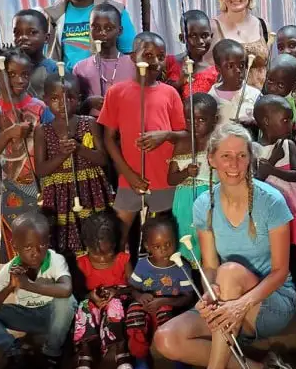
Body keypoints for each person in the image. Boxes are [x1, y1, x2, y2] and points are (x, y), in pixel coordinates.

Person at [154, 123, 296, 369]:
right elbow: (208, 267)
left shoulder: (271, 201)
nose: (234, 164)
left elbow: (280, 271)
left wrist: (238, 304)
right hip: (227, 297)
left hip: (270, 304)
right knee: (166, 339)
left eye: (241, 155)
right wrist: (207, 295)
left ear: (250, 158)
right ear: (211, 159)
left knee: (230, 271)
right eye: (226, 156)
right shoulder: (203, 205)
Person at [0, 213, 76, 369]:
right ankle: (17, 355)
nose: (36, 252)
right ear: (15, 246)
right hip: (27, 316)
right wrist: (10, 287)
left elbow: (66, 290)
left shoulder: (55, 260)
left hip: (54, 317)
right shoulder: (9, 269)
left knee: (66, 301)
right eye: (27, 247)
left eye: (41, 245)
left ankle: (50, 358)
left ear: (48, 242)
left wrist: (28, 285)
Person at [98, 32, 187, 250]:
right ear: (132, 56)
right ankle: (121, 278)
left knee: (163, 237)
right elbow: (109, 139)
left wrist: (165, 135)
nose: (155, 60)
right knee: (119, 236)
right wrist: (127, 174)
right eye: (147, 54)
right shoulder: (116, 92)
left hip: (163, 179)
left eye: (160, 55)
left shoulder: (170, 94)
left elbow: (184, 135)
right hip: (130, 179)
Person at [0, 45, 54, 264]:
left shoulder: (39, 108)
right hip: (12, 189)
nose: (20, 80)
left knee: (44, 235)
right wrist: (8, 134)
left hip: (42, 185)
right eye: (12, 74)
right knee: (17, 238)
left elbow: (51, 143)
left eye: (25, 74)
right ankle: (20, 281)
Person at [34, 72, 113, 257]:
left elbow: (103, 159)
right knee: (64, 237)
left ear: (78, 99)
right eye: (55, 98)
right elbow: (41, 170)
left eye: (69, 98)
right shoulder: (42, 131)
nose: (62, 104)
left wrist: (79, 149)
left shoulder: (90, 123)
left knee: (94, 233)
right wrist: (62, 155)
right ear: (45, 100)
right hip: (59, 195)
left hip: (90, 191)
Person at [255, 96, 296, 293]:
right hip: (268, 209)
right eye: (285, 120)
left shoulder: (287, 144)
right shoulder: (254, 149)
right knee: (276, 249)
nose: (290, 125)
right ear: (266, 121)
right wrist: (272, 160)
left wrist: (273, 169)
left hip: (291, 204)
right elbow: (256, 180)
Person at [127, 215, 197, 369]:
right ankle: (141, 357)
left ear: (176, 241)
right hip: (147, 307)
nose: (164, 249)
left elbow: (188, 297)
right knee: (133, 313)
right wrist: (140, 295)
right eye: (157, 246)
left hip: (170, 308)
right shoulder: (143, 265)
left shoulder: (182, 266)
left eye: (168, 244)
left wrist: (164, 301)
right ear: (147, 246)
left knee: (166, 312)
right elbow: (132, 288)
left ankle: (179, 357)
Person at [72, 211, 133, 369]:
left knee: (114, 307)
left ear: (114, 244)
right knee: (84, 307)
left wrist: (117, 292)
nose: (102, 258)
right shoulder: (81, 263)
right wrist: (90, 295)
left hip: (118, 301)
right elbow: (77, 291)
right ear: (87, 247)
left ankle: (121, 351)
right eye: (96, 254)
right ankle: (85, 352)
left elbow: (134, 287)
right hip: (93, 301)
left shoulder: (123, 259)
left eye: (107, 254)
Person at [168, 93, 219, 263]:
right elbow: (171, 179)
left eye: (201, 120)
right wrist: (185, 173)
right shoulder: (182, 144)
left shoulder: (218, 142)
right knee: (186, 236)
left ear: (214, 119)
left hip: (210, 196)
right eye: (189, 120)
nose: (194, 125)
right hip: (184, 200)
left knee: (210, 236)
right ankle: (188, 277)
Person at [205, 0, 269, 89]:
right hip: (228, 103)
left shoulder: (263, 25)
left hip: (262, 102)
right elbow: (206, 73)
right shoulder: (212, 27)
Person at [73, 3, 137, 117]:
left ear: (120, 30)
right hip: (92, 129)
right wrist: (88, 104)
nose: (102, 33)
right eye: (96, 28)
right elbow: (74, 108)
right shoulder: (80, 68)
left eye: (109, 28)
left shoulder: (133, 65)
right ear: (89, 29)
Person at [164, 10, 219, 98]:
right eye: (193, 35)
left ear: (211, 37)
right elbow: (158, 93)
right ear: (182, 38)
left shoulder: (214, 73)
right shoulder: (168, 63)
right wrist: (180, 82)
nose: (200, 41)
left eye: (205, 36)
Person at [208, 39, 262, 125]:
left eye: (241, 65)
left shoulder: (255, 95)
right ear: (218, 69)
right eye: (230, 66)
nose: (238, 70)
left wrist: (253, 123)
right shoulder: (211, 98)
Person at [12, 9, 57, 99]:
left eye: (32, 32)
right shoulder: (9, 69)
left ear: (46, 38)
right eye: (17, 33)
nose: (23, 37)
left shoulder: (54, 69)